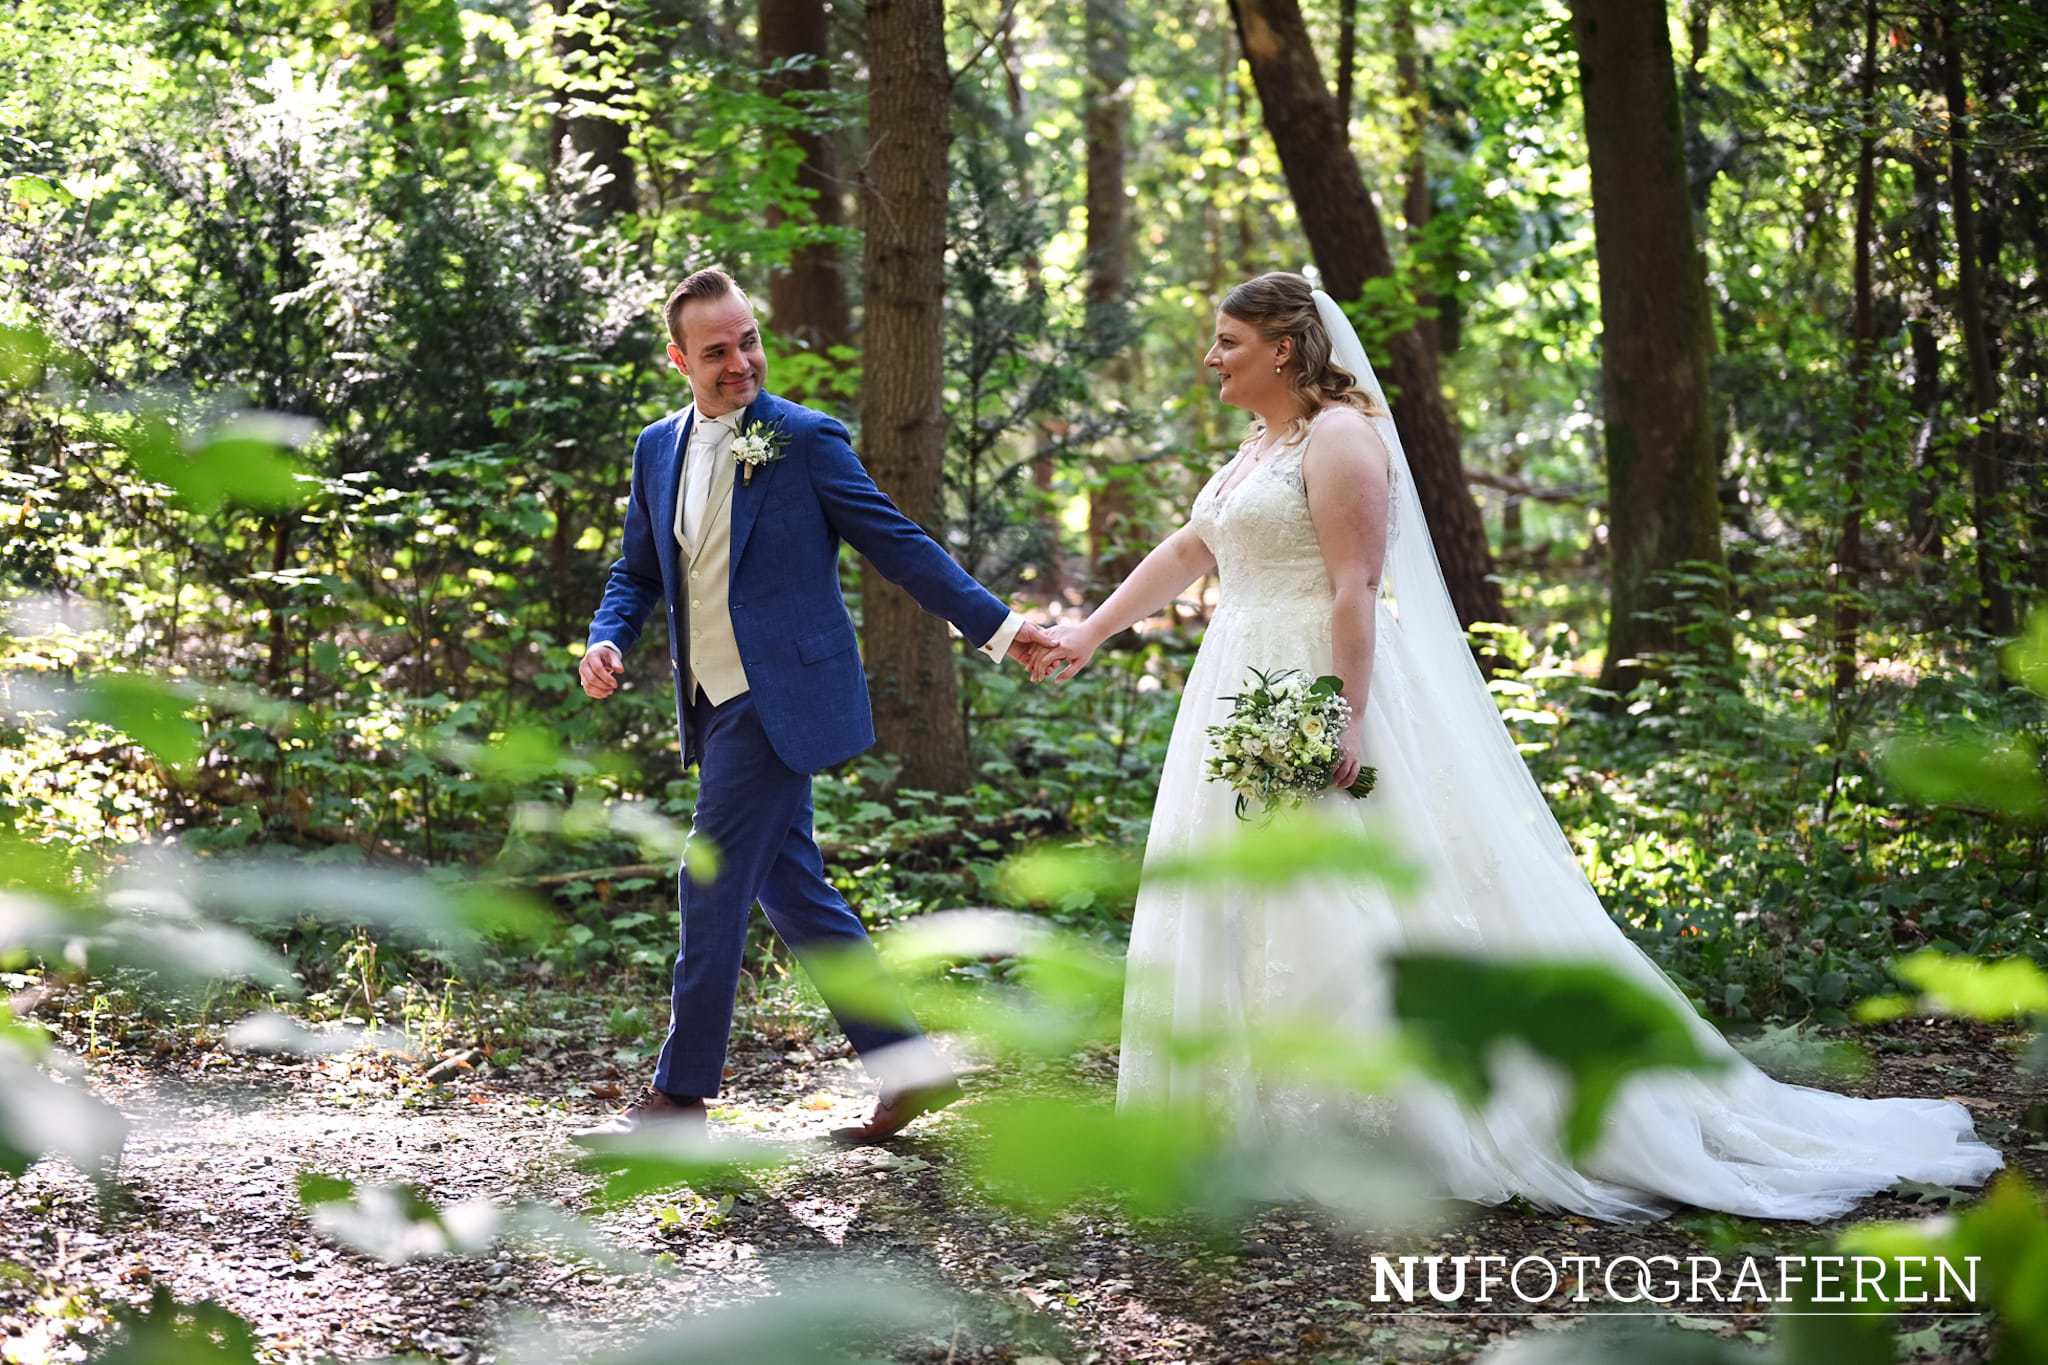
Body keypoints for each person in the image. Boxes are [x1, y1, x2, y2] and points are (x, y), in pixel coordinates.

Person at [1027, 270, 2004, 1221]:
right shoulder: (1257, 444)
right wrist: (1088, 631)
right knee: (1252, 886)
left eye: (1227, 344)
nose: (1210, 359)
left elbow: (1353, 587)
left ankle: (1393, 1121)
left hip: (1317, 675)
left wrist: (1345, 710)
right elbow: (1193, 550)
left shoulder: (1338, 440)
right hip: (1235, 681)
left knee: (1352, 893)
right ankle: (1250, 1110)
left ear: (1283, 348)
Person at [576, 267, 1052, 1144]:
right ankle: (908, 1068)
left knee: (710, 875)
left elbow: (898, 544)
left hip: (777, 696)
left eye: (748, 341)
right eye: (716, 351)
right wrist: (608, 635)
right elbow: (638, 571)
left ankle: (679, 1101)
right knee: (795, 891)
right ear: (679, 358)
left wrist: (1002, 629)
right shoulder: (656, 448)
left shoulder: (803, 438)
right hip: (711, 701)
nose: (741, 363)